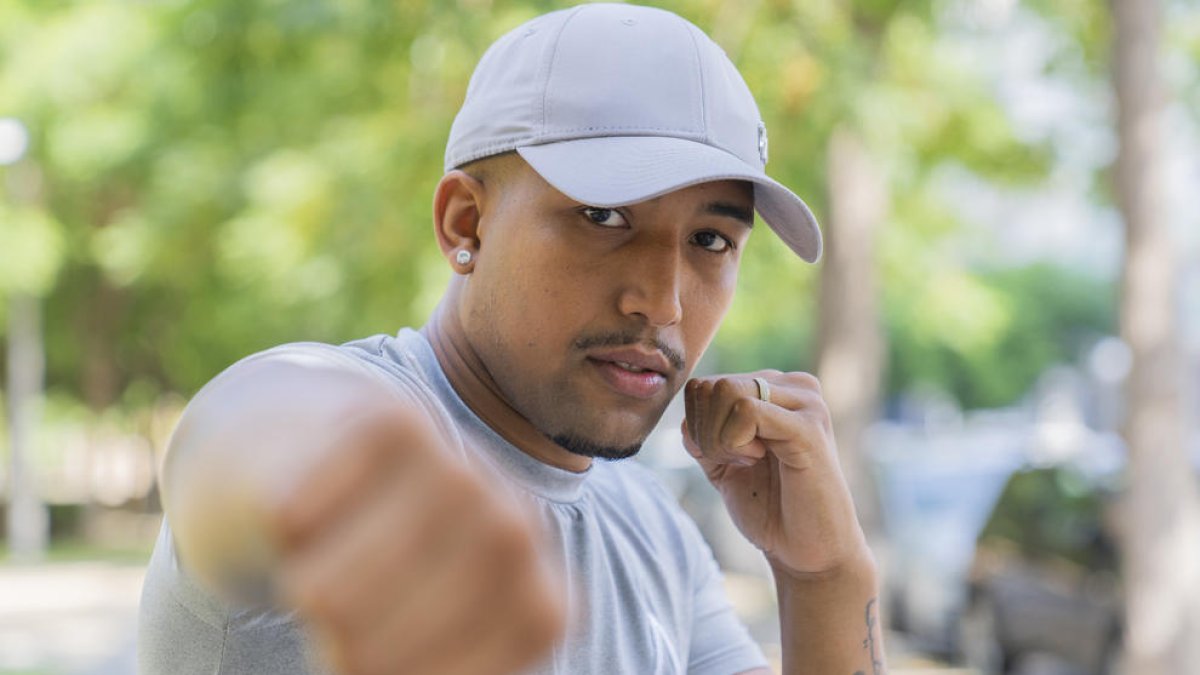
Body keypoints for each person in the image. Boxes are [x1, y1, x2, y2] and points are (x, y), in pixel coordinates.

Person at [138, 4, 885, 674]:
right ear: (466, 222)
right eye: (604, 216)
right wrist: (367, 483)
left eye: (712, 240)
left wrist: (825, 579)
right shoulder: (356, 410)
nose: (663, 301)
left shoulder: (655, 530)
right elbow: (249, 430)